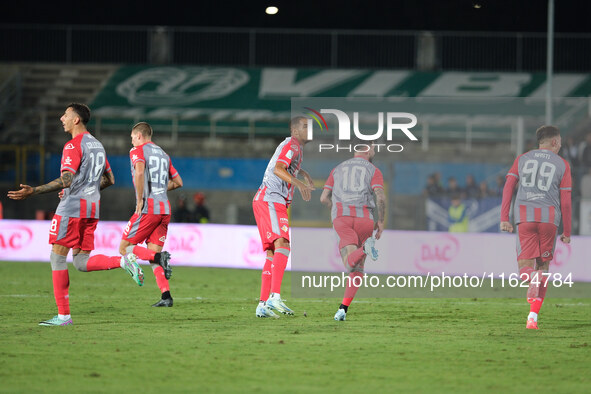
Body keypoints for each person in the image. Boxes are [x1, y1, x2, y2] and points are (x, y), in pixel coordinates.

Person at [7, 103, 143, 326]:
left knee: (57, 257)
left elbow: (66, 179)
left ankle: (63, 316)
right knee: (81, 261)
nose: (62, 118)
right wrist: (84, 187)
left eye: (66, 115)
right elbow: (110, 179)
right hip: (91, 209)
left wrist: (34, 191)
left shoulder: (73, 145)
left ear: (76, 120)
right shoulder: (98, 145)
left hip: (71, 210)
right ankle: (122, 261)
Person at [500, 125, 571, 330]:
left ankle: (532, 277)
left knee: (525, 270)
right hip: (549, 219)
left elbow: (508, 187)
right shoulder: (563, 164)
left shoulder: (522, 158)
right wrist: (567, 232)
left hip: (524, 217)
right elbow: (565, 202)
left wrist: (505, 217)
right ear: (555, 142)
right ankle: (532, 318)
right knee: (544, 268)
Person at [252, 116, 314, 318]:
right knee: (283, 245)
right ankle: (275, 297)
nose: (309, 129)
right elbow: (279, 168)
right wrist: (299, 183)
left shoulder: (294, 147)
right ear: (295, 130)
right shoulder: (293, 144)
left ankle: (263, 304)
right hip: (271, 198)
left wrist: (300, 172)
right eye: (305, 126)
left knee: (272, 252)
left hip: (267, 199)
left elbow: (282, 164)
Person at [118, 122, 183, 307]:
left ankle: (159, 258)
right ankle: (166, 296)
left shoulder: (137, 150)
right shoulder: (164, 154)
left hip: (148, 208)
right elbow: (178, 182)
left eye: (132, 137)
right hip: (164, 210)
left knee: (124, 248)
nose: (131, 141)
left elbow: (139, 172)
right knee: (151, 253)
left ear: (139, 135)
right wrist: (160, 188)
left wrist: (140, 199)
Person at [320, 144, 385, 321]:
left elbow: (323, 197)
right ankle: (343, 309)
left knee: (350, 265)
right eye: (373, 149)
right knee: (358, 269)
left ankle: (364, 249)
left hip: (342, 218)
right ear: (366, 150)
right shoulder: (374, 170)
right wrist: (381, 220)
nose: (374, 152)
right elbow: (380, 196)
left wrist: (332, 206)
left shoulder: (337, 169)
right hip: (365, 219)